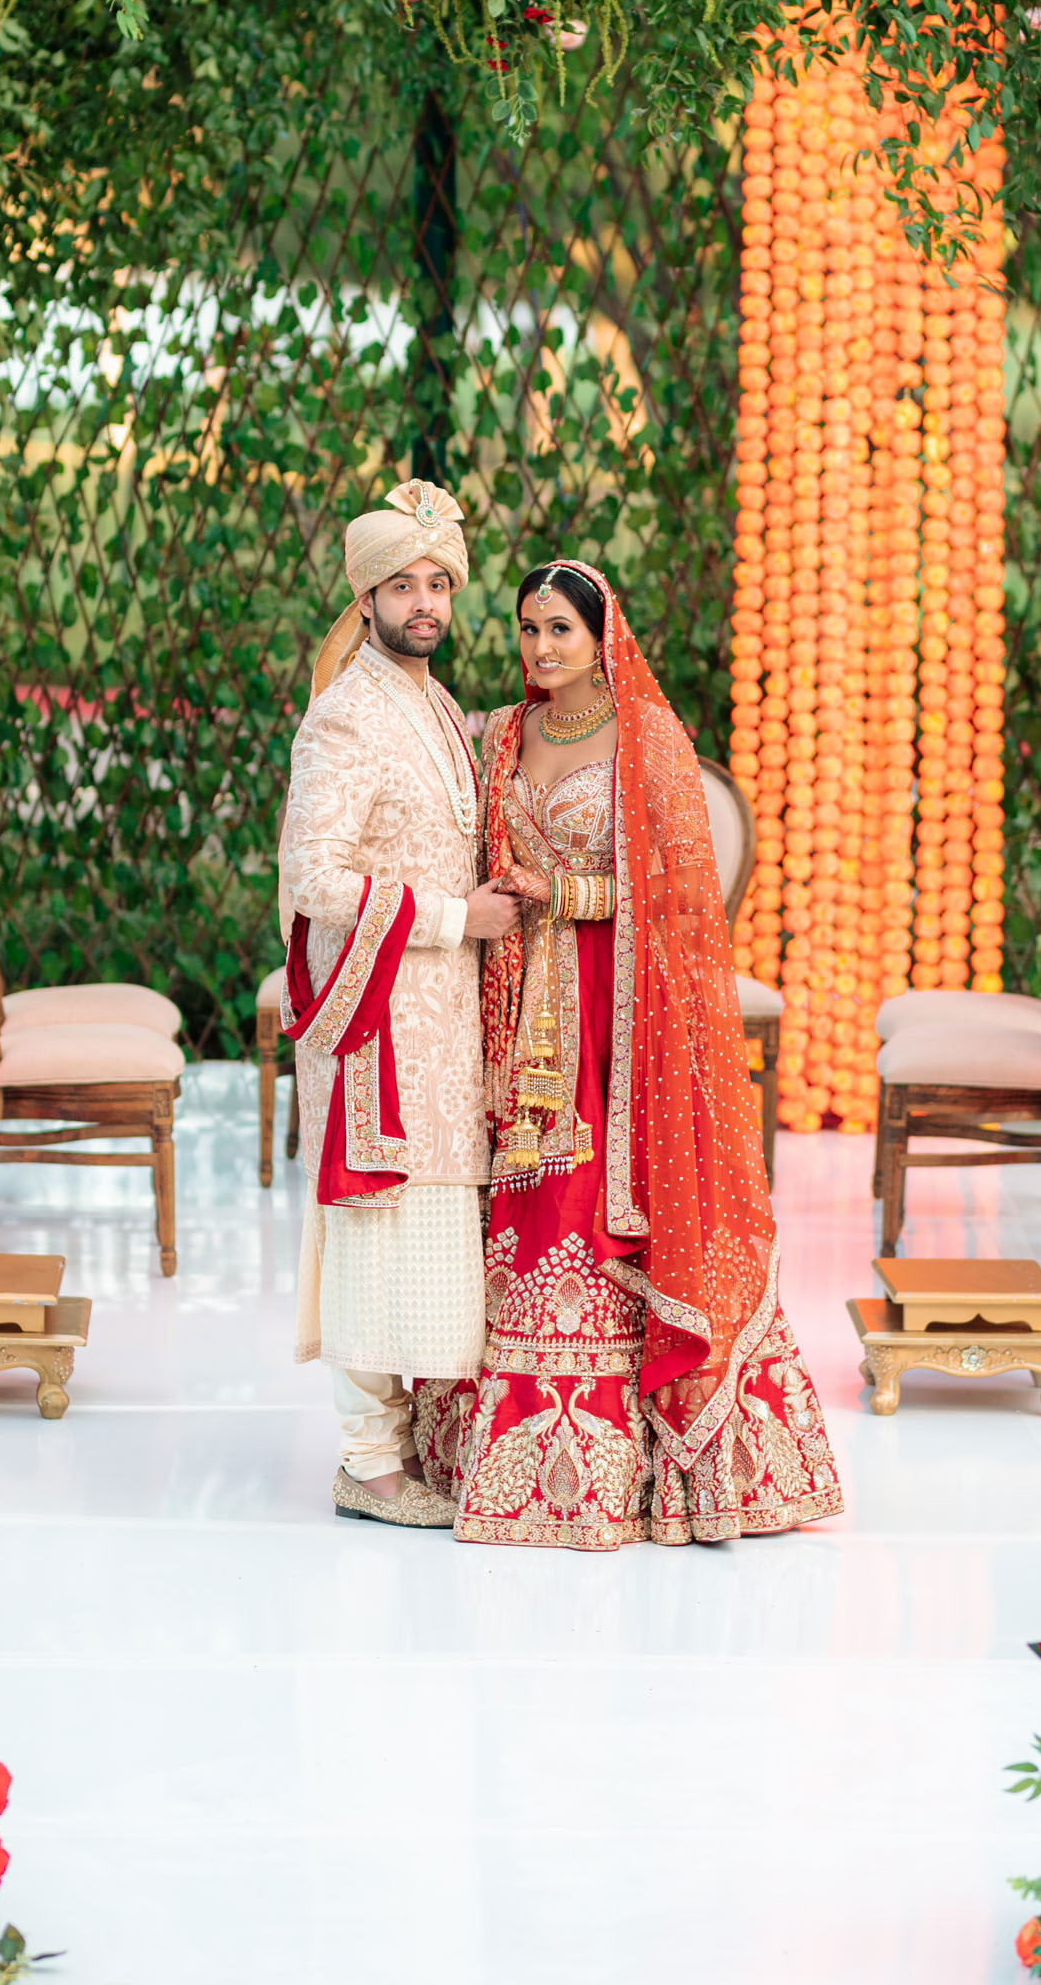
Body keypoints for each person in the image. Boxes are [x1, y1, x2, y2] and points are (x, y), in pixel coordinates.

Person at [417, 557, 843, 1548]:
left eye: (559, 629)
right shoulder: (504, 732)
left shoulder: (647, 737)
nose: (540, 648)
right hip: (519, 998)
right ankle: (514, 1455)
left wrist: (567, 897)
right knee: (521, 1200)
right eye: (528, 629)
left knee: (594, 1200)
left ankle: (644, 1470)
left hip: (620, 1007)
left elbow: (684, 902)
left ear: (600, 634)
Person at [276, 477, 522, 1527]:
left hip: (443, 1020)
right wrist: (454, 918)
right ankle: (367, 1465)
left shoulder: (432, 702)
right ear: (367, 598)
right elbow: (311, 879)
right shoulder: (345, 716)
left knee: (427, 1233)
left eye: (439, 585)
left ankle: (402, 1445)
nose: (425, 603)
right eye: (404, 586)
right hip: (378, 1019)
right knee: (379, 1233)